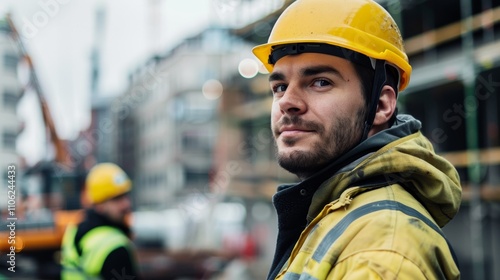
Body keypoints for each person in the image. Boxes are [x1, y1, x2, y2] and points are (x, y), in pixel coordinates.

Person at [252, 0, 462, 279]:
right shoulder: (334, 212)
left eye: (320, 82)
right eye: (279, 87)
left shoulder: (382, 255)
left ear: (380, 106)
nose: (287, 102)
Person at [60, 162, 140, 280]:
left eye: (126, 196)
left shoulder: (74, 230)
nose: (126, 204)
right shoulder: (115, 247)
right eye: (117, 199)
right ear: (99, 205)